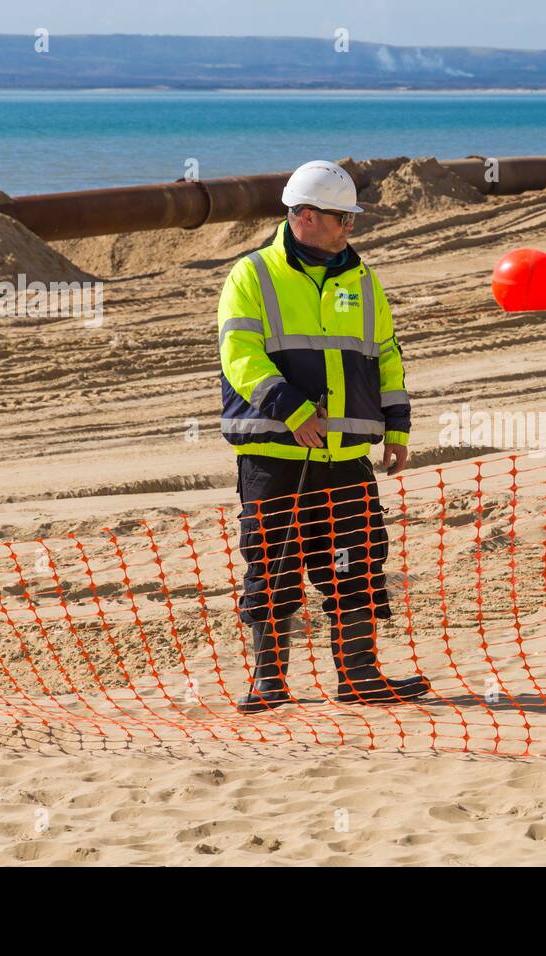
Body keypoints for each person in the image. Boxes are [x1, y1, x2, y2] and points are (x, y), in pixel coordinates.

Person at [217, 160, 430, 713]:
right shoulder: (253, 275)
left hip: (345, 456)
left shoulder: (362, 278)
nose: (350, 227)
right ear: (305, 216)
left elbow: (386, 353)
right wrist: (290, 410)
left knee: (354, 560)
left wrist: (398, 425)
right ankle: (270, 682)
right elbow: (239, 355)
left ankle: (360, 678)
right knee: (272, 561)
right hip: (274, 454)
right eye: (341, 217)